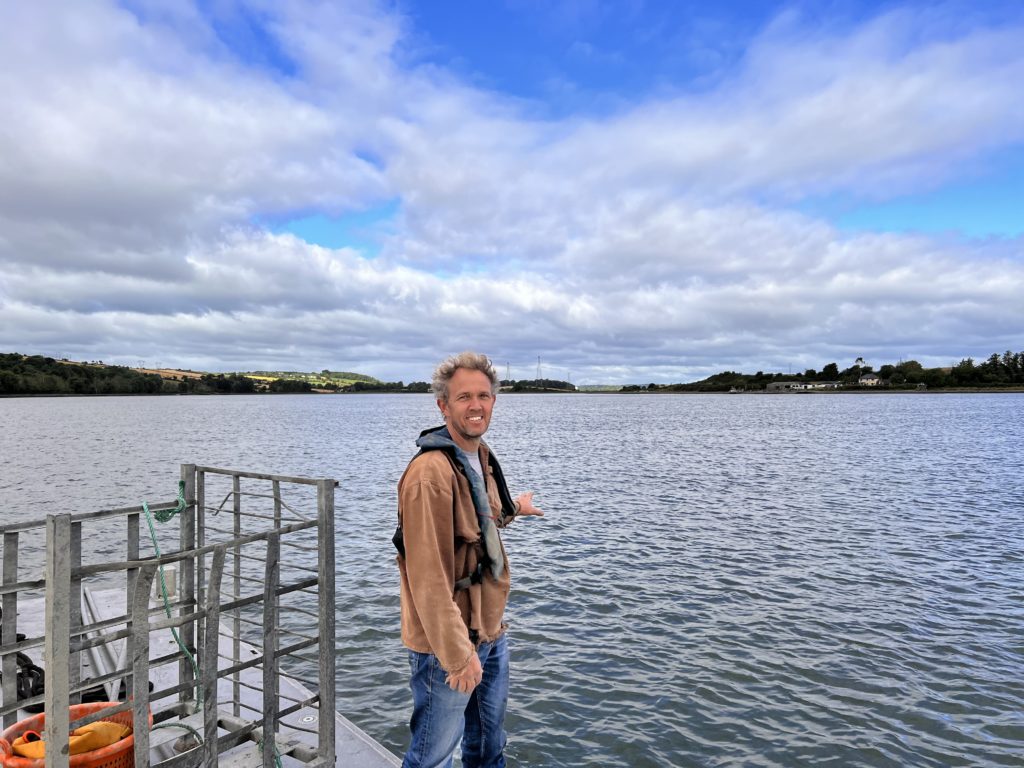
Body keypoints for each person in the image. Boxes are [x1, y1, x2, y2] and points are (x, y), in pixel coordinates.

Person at [395, 351, 544, 768]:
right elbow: (428, 577)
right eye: (463, 397)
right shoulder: (430, 475)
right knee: (432, 757)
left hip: (490, 631)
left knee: (487, 748)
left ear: (494, 401)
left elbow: (481, 522)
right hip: (447, 644)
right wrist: (457, 656)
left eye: (484, 395)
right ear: (443, 406)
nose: (476, 405)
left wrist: (516, 510)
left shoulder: (479, 457)